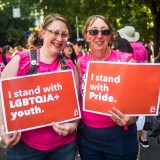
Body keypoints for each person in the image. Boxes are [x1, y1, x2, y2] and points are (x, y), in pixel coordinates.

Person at [0, 13, 80, 160]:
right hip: (24, 146)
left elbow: (76, 101)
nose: (59, 38)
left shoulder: (69, 66)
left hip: (63, 146)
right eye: (55, 33)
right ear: (43, 33)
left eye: (64, 34)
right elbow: (2, 95)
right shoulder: (21, 60)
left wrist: (73, 125)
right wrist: (2, 128)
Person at [77, 15, 138, 160]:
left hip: (119, 135)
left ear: (110, 36)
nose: (99, 36)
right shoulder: (80, 63)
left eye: (104, 32)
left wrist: (133, 116)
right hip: (87, 136)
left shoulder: (127, 61)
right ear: (86, 36)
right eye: (93, 32)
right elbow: (77, 97)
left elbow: (140, 95)